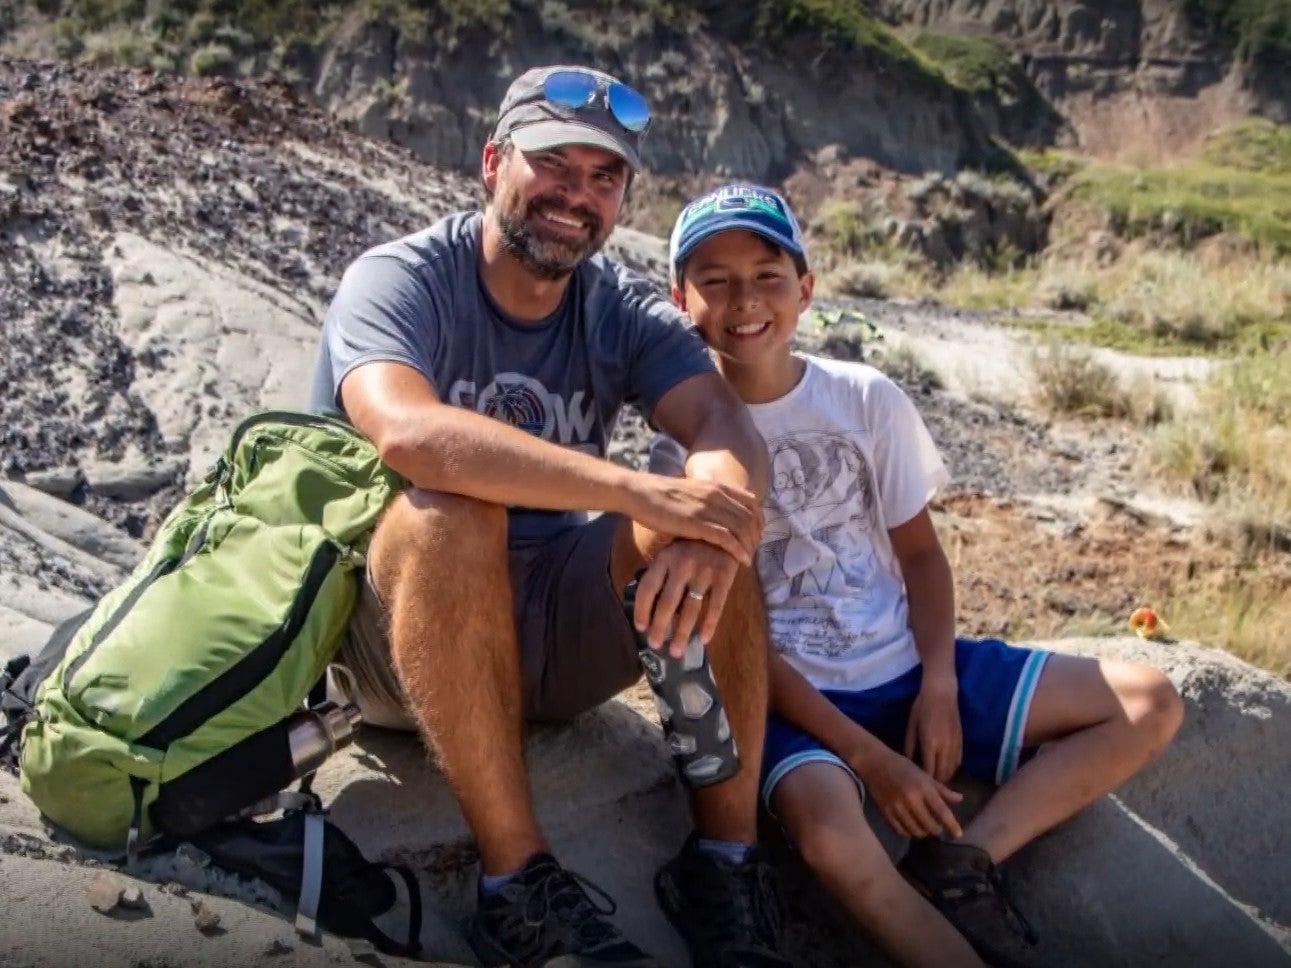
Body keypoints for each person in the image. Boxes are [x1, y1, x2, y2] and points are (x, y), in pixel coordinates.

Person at [308, 67, 792, 968]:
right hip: (392, 643)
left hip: (546, 639)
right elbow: (407, 431)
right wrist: (634, 491)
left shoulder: (618, 306)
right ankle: (518, 889)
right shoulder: (401, 278)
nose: (577, 195)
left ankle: (726, 867)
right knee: (452, 515)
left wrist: (716, 526)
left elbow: (722, 423)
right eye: (554, 165)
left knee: (713, 522)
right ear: (493, 163)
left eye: (603, 178)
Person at [652, 183, 1185, 968]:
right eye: (716, 280)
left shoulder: (863, 397)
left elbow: (921, 556)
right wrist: (870, 759)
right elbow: (739, 645)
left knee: (1148, 702)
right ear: (680, 299)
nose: (745, 300)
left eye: (767, 275)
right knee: (833, 841)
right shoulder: (682, 447)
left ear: (805, 288)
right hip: (794, 706)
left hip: (902, 664)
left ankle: (962, 862)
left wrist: (938, 683)